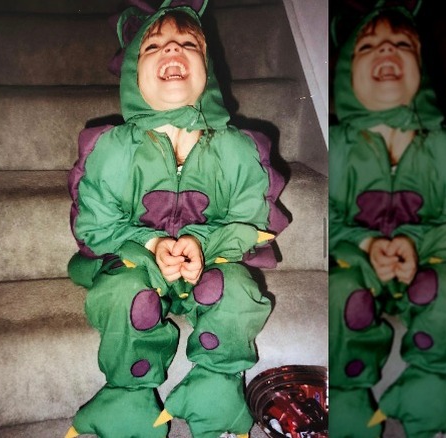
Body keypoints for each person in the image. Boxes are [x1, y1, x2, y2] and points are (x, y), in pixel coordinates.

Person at [65, 1, 289, 437]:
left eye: (188, 43)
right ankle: (127, 396)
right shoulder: (112, 150)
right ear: (133, 71)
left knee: (238, 292)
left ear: (207, 69)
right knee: (123, 293)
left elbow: (252, 220)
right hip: (135, 264)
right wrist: (150, 246)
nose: (173, 50)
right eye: (154, 46)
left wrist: (204, 244)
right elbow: (95, 226)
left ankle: (215, 389)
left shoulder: (239, 150)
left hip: (209, 265)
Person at [328, 3, 446, 437]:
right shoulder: (338, 148)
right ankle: (347, 394)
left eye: (402, 44)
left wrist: (418, 245)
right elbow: (325, 217)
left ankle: (428, 388)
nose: (387, 48)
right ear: (347, 73)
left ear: (422, 68)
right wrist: (365, 245)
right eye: (368, 45)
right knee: (338, 293)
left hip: (429, 265)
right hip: (358, 266)